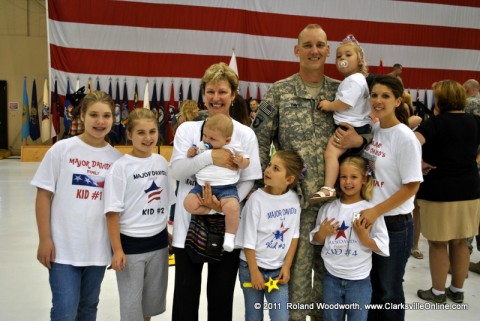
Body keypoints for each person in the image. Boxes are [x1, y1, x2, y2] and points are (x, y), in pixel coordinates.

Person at [252, 24, 369, 321]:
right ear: (297, 50)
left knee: (332, 279)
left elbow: (371, 129)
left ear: (328, 50)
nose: (314, 51)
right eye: (307, 45)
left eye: (320, 45)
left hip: (338, 204)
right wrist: (261, 192)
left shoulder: (343, 90)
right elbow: (260, 141)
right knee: (296, 277)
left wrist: (362, 140)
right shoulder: (280, 92)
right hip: (294, 204)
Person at [169, 62, 262, 321]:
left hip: (226, 225)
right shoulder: (187, 129)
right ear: (203, 94)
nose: (215, 98)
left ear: (233, 95)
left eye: (222, 92)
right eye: (210, 91)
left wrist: (219, 205)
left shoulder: (245, 134)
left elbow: (248, 180)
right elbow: (178, 171)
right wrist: (211, 157)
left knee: (221, 300)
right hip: (188, 225)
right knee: (185, 299)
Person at [31, 90, 122, 321]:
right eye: (93, 115)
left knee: (88, 307)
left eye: (106, 115)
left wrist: (116, 246)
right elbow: (43, 196)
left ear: (113, 119)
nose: (100, 122)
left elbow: (118, 209)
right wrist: (44, 239)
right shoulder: (62, 150)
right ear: (81, 115)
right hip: (63, 250)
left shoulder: (117, 160)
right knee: (64, 311)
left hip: (97, 251)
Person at [359, 75, 423, 321]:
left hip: (394, 225)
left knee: (389, 292)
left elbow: (412, 186)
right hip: (368, 222)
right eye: (374, 95)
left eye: (385, 96)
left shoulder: (404, 137)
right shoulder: (374, 130)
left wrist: (376, 211)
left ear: (398, 101)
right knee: (371, 289)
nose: (378, 100)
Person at [103, 108, 175, 321]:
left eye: (152, 131)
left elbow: (162, 203)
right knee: (131, 308)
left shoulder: (162, 162)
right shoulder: (121, 167)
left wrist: (167, 235)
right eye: (141, 133)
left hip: (159, 246)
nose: (148, 138)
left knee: (148, 308)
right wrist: (117, 250)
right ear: (129, 134)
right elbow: (112, 213)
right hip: (131, 247)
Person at [415, 80, 480, 304]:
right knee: (461, 242)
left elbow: (412, 143)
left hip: (440, 190)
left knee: (437, 243)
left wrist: (422, 163)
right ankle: (457, 290)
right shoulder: (474, 121)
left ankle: (438, 292)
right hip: (470, 189)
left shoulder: (435, 123)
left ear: (440, 99)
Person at [310, 156, 389, 321]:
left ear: (364, 180)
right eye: (343, 177)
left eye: (354, 177)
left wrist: (364, 238)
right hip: (331, 278)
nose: (348, 181)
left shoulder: (370, 210)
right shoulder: (328, 208)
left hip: (359, 281)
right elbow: (316, 240)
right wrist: (322, 233)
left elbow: (383, 245)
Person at [236, 150, 303, 321]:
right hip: (251, 268)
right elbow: (248, 242)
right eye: (269, 165)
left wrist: (287, 266)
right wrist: (254, 272)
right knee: (253, 316)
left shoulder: (294, 200)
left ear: (289, 180)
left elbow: (294, 235)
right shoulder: (256, 200)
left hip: (277, 272)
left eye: (276, 168)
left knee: (280, 317)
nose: (268, 170)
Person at [313, 34, 371, 201]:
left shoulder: (354, 80)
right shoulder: (353, 80)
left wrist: (329, 105)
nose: (342, 59)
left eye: (348, 55)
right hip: (353, 125)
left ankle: (328, 187)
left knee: (331, 154)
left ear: (359, 60)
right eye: (339, 56)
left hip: (350, 127)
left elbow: (346, 102)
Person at [183, 113, 250, 252]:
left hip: (227, 189)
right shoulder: (202, 146)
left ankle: (230, 237)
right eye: (205, 135)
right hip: (201, 187)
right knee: (188, 204)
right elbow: (191, 159)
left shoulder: (234, 147)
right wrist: (191, 152)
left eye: (212, 138)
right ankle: (213, 209)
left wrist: (240, 161)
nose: (206, 140)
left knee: (233, 209)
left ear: (227, 140)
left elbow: (246, 163)